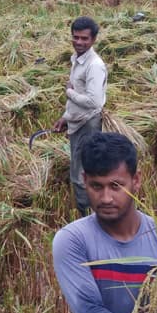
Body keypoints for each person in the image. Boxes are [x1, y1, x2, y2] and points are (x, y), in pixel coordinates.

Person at [52, 132, 157, 313]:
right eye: (96, 186)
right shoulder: (73, 241)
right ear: (84, 180)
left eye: (116, 186)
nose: (106, 198)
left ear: (136, 180)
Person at [52, 16, 107, 215]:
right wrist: (66, 118)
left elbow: (94, 102)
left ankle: (87, 216)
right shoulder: (77, 59)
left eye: (84, 39)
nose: (79, 42)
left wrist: (69, 92)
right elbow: (79, 95)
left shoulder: (94, 65)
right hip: (78, 120)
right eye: (75, 37)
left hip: (88, 123)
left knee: (80, 174)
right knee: (80, 169)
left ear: (93, 40)